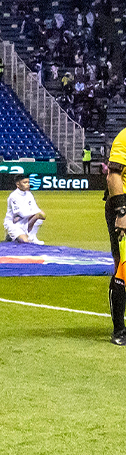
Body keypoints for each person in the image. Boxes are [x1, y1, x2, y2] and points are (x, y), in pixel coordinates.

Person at [104, 128, 126, 344]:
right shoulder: (124, 137)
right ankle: (120, 330)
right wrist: (122, 212)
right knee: (123, 267)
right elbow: (113, 176)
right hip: (123, 205)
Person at [4, 176, 46, 244]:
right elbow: (21, 213)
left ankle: (32, 237)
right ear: (18, 184)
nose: (27, 184)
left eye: (28, 182)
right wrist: (36, 213)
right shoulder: (13, 196)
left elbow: (35, 208)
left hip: (25, 221)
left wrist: (40, 213)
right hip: (14, 223)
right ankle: (11, 236)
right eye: (25, 182)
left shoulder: (29, 194)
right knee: (25, 242)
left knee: (39, 217)